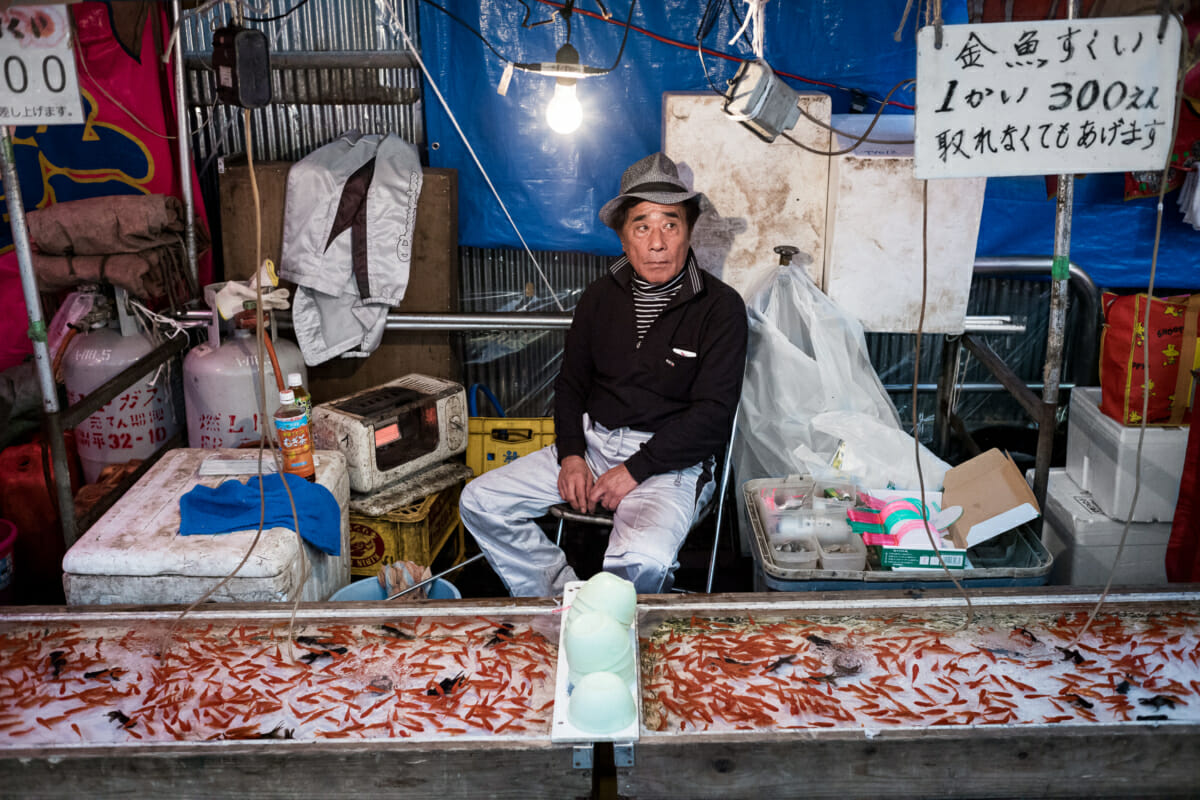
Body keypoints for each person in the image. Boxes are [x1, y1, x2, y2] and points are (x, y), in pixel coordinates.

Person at [458, 152, 748, 596]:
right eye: (642, 226)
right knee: (481, 502)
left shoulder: (721, 308)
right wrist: (572, 454)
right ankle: (563, 598)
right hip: (593, 444)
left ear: (689, 231)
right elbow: (571, 383)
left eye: (670, 224)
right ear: (622, 236)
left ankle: (609, 619)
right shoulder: (599, 297)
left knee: (640, 562)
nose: (657, 242)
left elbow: (713, 415)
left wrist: (635, 469)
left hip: (668, 463)